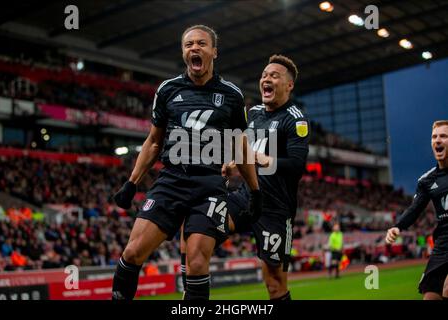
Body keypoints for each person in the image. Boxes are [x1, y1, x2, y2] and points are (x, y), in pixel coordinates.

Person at [111, 25, 262, 300]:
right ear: (183, 52)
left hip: (210, 187)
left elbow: (241, 146)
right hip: (171, 181)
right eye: (188, 44)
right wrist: (131, 183)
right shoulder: (167, 90)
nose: (194, 48)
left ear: (214, 51)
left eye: (201, 44)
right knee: (132, 252)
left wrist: (254, 191)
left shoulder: (232, 95)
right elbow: (154, 142)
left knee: (196, 264)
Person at [220, 54, 310, 300]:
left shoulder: (295, 119)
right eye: (264, 75)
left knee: (274, 284)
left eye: (274, 76)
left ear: (289, 85)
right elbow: (246, 150)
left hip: (275, 209)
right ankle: (193, 289)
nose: (266, 79)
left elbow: (296, 166)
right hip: (246, 196)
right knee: (205, 223)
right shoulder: (255, 112)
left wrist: (264, 159)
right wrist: (232, 165)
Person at [385, 120, 448, 300]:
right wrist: (398, 226)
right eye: (434, 137)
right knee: (430, 297)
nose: (437, 140)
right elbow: (415, 208)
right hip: (442, 246)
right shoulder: (427, 180)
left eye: (443, 136)